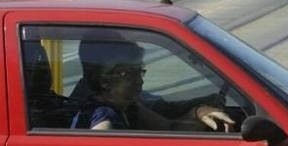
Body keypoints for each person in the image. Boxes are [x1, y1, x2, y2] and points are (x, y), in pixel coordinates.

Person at [71, 39, 234, 131]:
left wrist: (199, 112)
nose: (139, 80)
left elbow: (171, 128)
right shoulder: (102, 117)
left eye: (140, 71)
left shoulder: (130, 107)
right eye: (128, 74)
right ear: (105, 81)